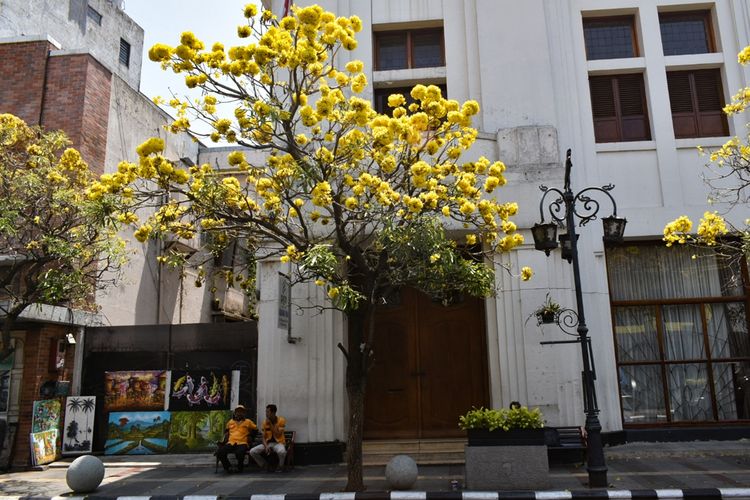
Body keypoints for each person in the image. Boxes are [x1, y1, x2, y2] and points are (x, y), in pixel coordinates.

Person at [216, 405, 257, 473]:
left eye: (241, 411)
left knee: (240, 453)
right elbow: (226, 431)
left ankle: (239, 468)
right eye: (238, 411)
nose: (239, 413)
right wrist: (224, 440)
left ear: (244, 413)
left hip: (242, 442)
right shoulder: (230, 422)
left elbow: (256, 430)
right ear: (235, 413)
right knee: (220, 452)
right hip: (231, 442)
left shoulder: (248, 422)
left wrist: (250, 437)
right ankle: (228, 467)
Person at [249, 404, 287, 471]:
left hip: (278, 443)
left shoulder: (281, 420)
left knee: (282, 452)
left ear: (273, 412)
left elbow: (277, 434)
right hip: (268, 443)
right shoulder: (264, 422)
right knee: (252, 451)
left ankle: (281, 466)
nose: (266, 414)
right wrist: (266, 446)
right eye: (266, 412)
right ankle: (264, 465)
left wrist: (270, 424)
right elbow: (263, 437)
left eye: (268, 412)